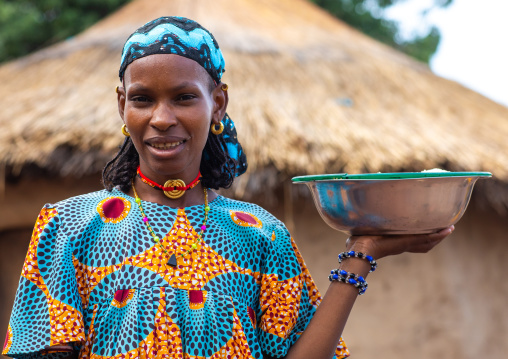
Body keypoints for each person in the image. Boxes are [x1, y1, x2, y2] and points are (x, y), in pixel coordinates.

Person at [2, 17, 453, 359]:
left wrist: (363, 251)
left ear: (217, 102)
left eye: (184, 97)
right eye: (142, 99)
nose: (161, 118)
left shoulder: (259, 235)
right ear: (122, 105)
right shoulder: (68, 228)